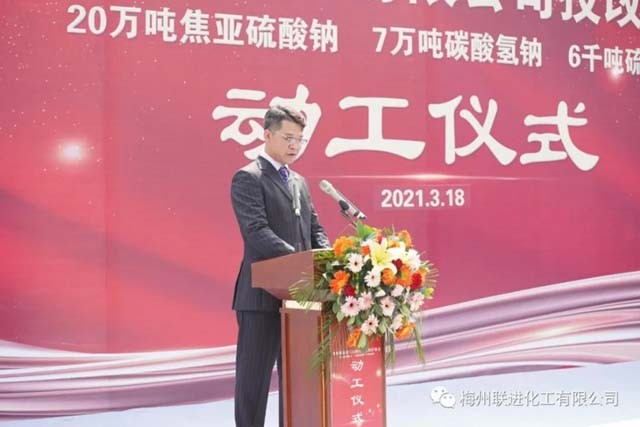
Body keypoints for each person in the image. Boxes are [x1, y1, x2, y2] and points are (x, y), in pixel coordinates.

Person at [230, 105, 331, 427]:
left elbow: (314, 229)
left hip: (300, 298)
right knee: (253, 382)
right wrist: (298, 261)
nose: (294, 145)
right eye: (288, 138)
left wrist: (328, 259)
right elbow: (256, 230)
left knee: (298, 380)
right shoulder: (248, 177)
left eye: (299, 139)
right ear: (267, 134)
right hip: (261, 297)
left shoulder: (299, 181)